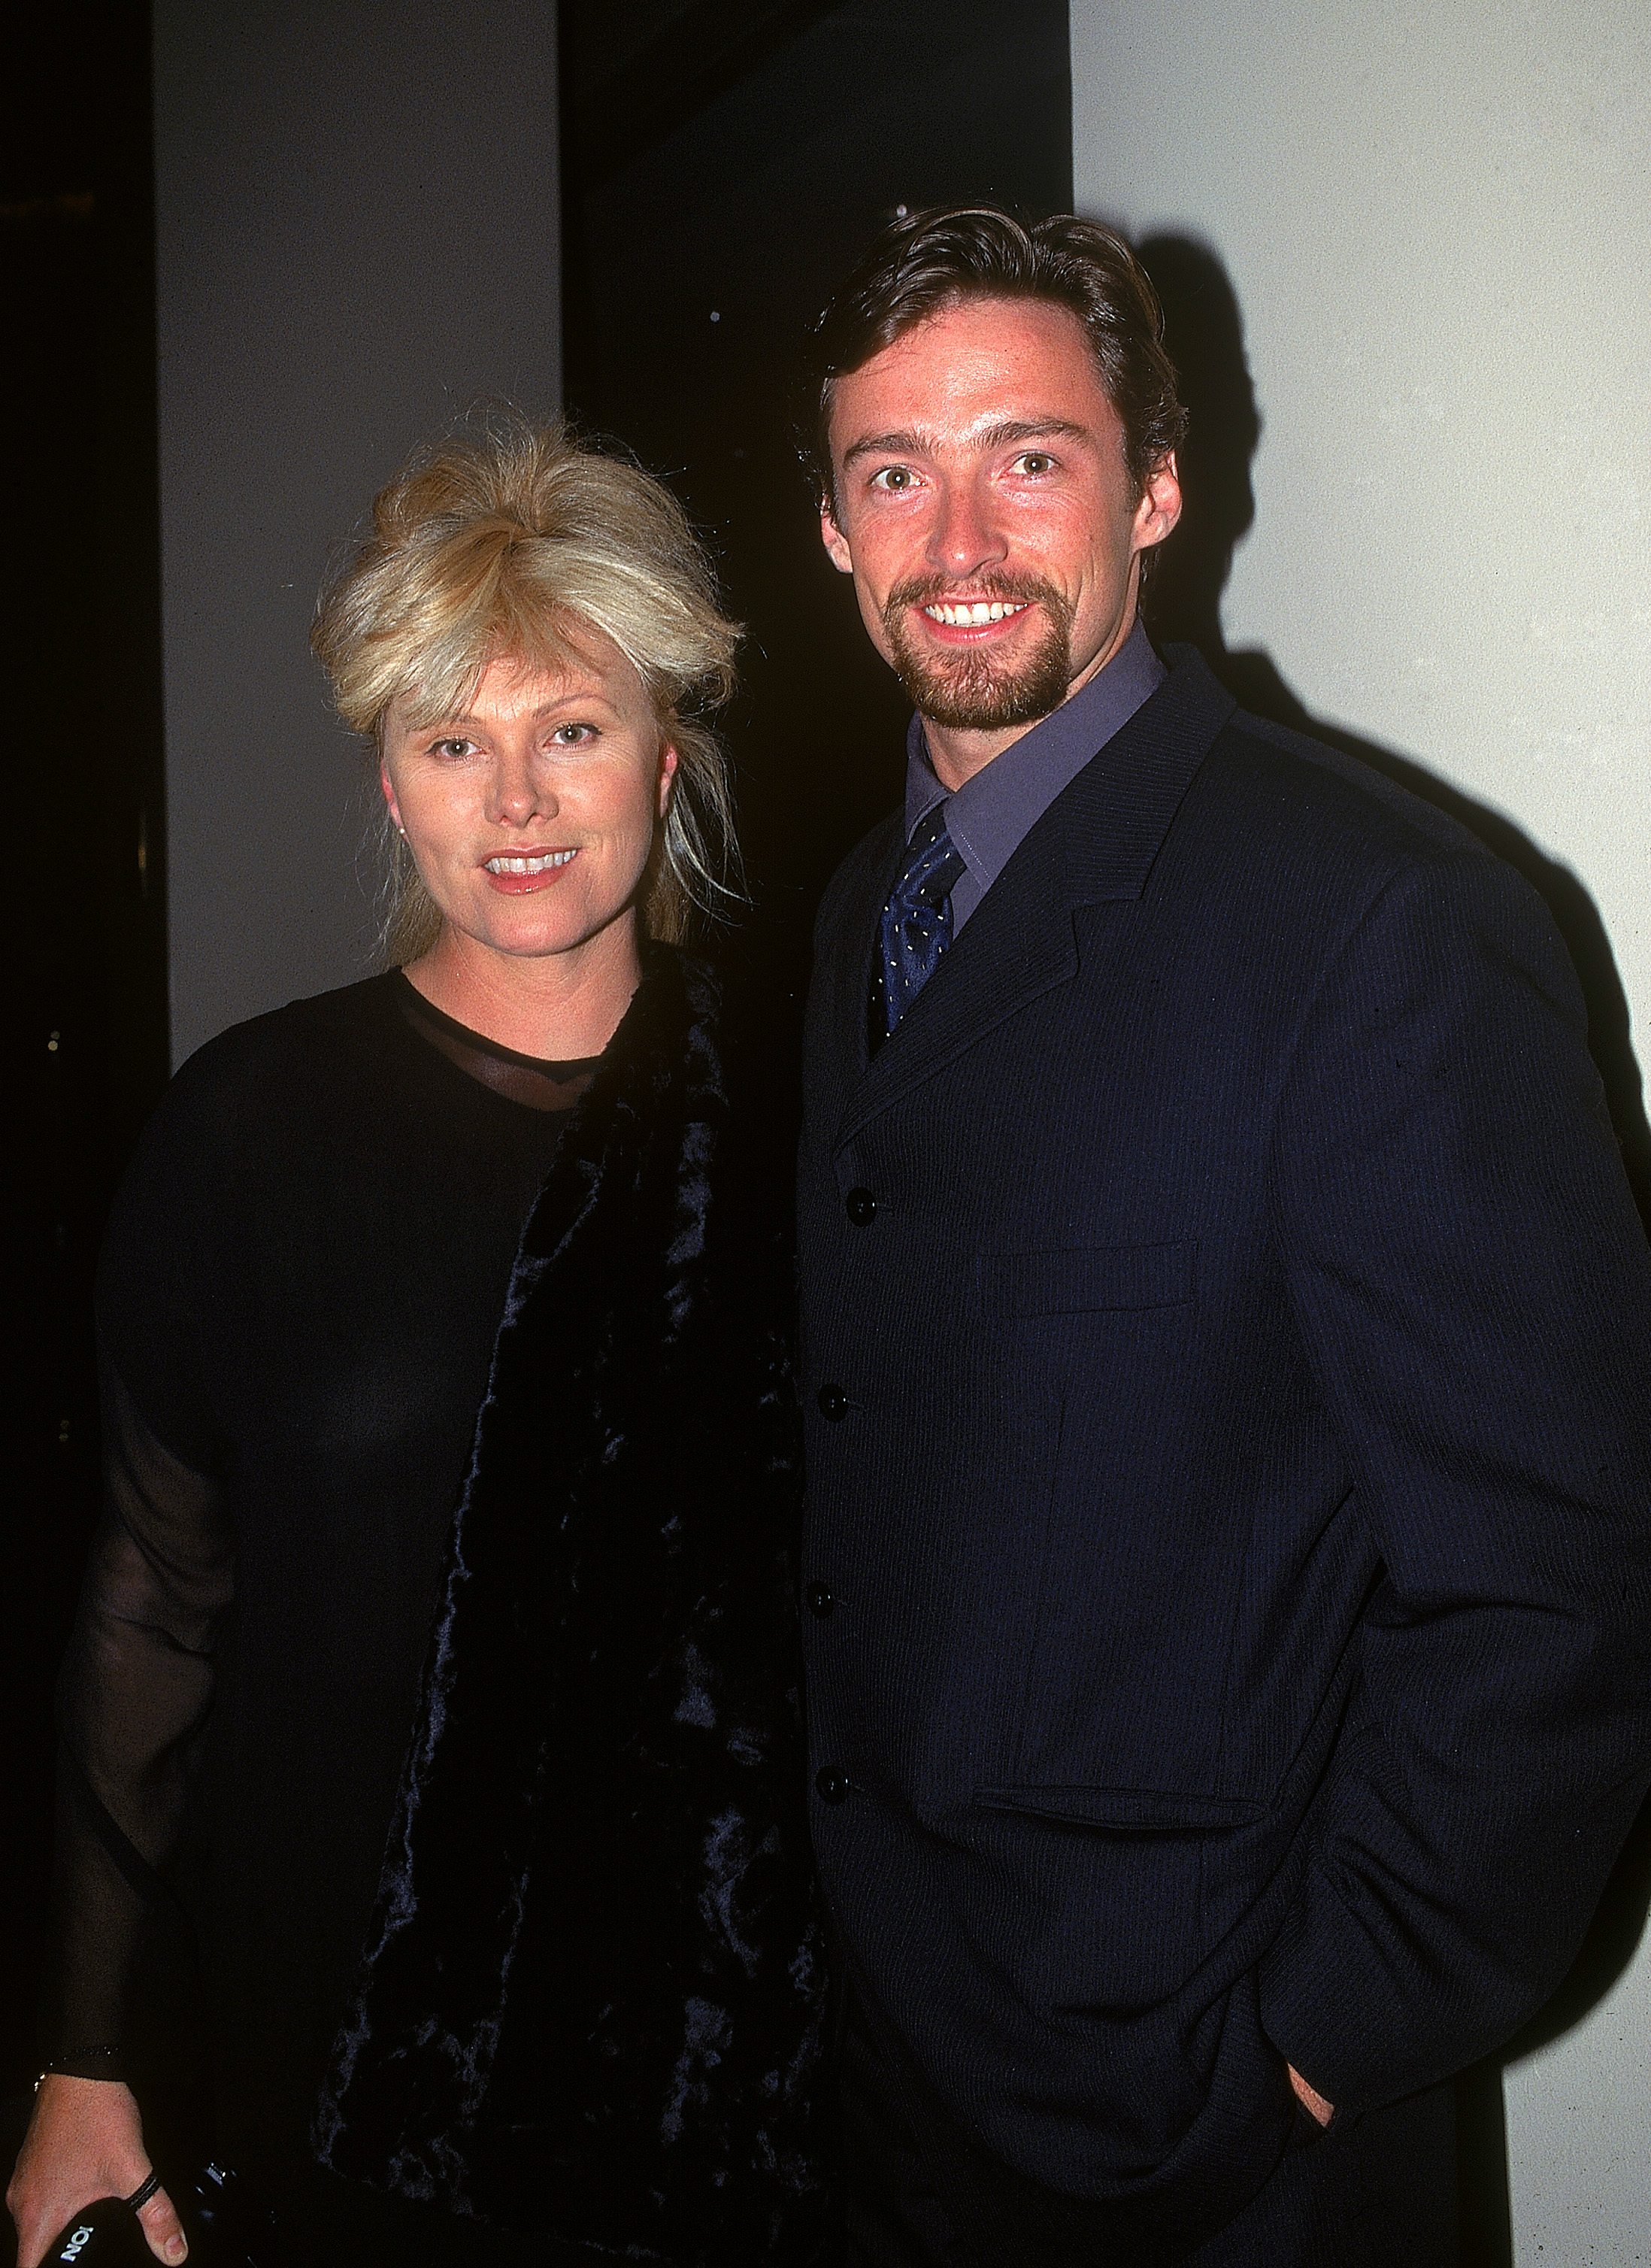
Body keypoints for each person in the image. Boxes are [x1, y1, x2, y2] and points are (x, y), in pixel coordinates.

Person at [793, 205, 1651, 2266]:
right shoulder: (851, 924)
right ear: (828, 529)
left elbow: (1563, 1575)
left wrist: (1298, 2049)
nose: (959, 538)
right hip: (884, 2093)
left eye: (1031, 456)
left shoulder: (1379, 925)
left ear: (1154, 488)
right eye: (891, 472)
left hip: (1214, 2145)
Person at [8, 417, 826, 2268]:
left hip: (727, 2061)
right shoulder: (250, 1127)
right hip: (346, 2041)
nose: (517, 800)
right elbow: (151, 1599)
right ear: (390, 781)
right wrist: (85, 2054)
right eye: (455, 742)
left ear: (665, 754)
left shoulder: (803, 1108)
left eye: (573, 730)